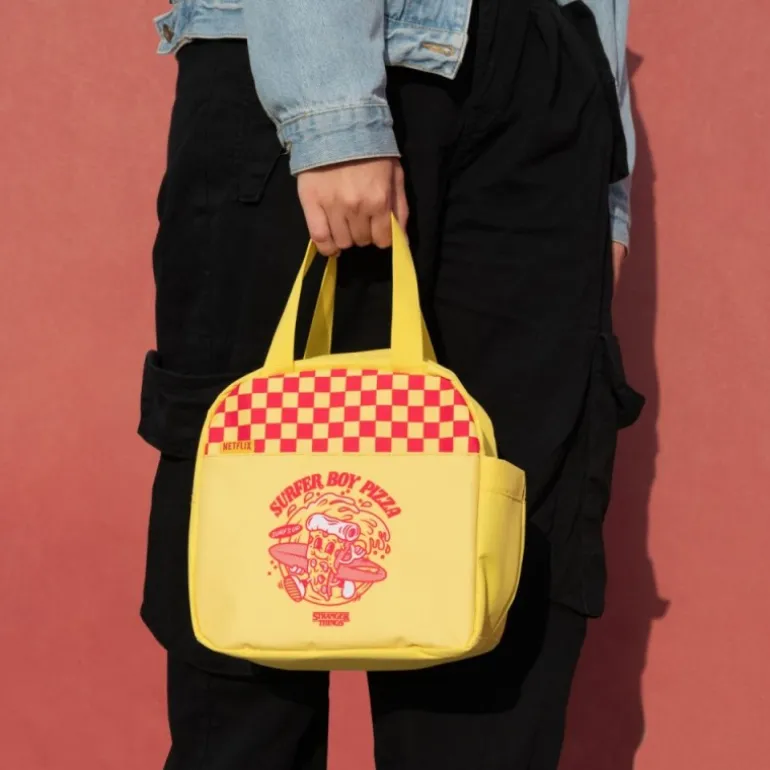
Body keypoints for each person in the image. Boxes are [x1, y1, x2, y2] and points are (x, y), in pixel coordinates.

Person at [138, 0, 644, 768]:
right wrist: (330, 108)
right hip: (325, 51)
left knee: (500, 581)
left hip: (545, 82)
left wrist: (606, 193)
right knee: (250, 581)